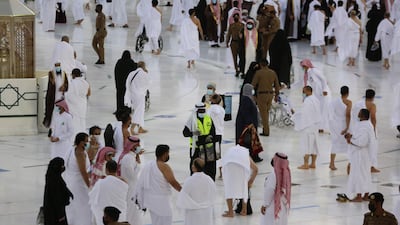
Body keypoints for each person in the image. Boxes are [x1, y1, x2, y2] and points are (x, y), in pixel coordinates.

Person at [135, 145, 182, 225]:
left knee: (156, 222)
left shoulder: (148, 165)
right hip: (162, 202)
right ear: (165, 154)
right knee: (165, 222)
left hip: (151, 201)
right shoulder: (164, 167)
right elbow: (172, 182)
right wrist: (183, 191)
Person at [344, 109, 374, 202]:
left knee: (359, 174)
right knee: (365, 174)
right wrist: (351, 136)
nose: (358, 113)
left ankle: (359, 196)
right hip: (362, 154)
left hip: (360, 154)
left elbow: (362, 142)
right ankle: (365, 195)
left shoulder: (365, 126)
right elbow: (358, 137)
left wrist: (351, 140)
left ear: (363, 116)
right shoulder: (363, 125)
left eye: (360, 112)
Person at [221, 144, 258, 217]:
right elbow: (256, 169)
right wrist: (250, 181)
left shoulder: (229, 153)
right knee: (244, 189)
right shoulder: (245, 155)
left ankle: (230, 212)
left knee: (229, 189)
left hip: (229, 168)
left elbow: (222, 165)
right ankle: (244, 210)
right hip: (242, 172)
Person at [176, 158, 217, 225]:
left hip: (193, 212)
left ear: (193, 167)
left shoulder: (189, 181)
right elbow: (214, 193)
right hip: (206, 211)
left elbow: (183, 196)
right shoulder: (209, 179)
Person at [183, 103, 217, 180]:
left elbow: (213, 132)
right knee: (196, 167)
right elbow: (185, 133)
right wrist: (193, 133)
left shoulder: (208, 118)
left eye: (203, 110)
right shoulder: (191, 120)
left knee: (210, 168)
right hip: (196, 148)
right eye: (200, 110)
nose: (202, 112)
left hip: (208, 148)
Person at [89, 160, 129, 225]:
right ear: (117, 169)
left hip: (106, 214)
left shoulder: (100, 183)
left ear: (106, 169)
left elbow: (92, 196)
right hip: (120, 210)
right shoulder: (123, 182)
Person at [64, 133, 92, 225]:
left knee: (74, 205)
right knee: (83, 205)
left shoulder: (71, 149)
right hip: (79, 184)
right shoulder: (80, 153)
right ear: (80, 142)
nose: (87, 143)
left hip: (70, 181)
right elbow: (83, 171)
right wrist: (89, 186)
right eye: (86, 142)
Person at [296, 59, 330, 132]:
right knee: (316, 110)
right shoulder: (306, 74)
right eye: (303, 66)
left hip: (323, 94)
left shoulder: (314, 71)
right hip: (315, 95)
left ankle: (322, 127)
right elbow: (303, 84)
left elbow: (323, 79)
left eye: (304, 66)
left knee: (322, 110)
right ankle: (317, 126)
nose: (303, 68)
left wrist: (324, 90)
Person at [292, 86, 321, 169]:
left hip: (308, 126)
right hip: (315, 126)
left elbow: (304, 113)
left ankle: (305, 164)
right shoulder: (316, 99)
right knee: (314, 145)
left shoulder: (308, 101)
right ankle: (313, 163)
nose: (303, 93)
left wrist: (295, 115)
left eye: (304, 92)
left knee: (306, 145)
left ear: (308, 91)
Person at [352, 89, 379, 173]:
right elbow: (373, 118)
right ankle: (371, 166)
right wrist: (374, 130)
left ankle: (355, 164)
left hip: (357, 126)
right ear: (373, 97)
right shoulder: (372, 105)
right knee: (372, 147)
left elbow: (353, 114)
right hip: (367, 127)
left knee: (357, 146)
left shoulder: (357, 103)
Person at [118, 136, 144, 225]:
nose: (139, 146)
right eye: (138, 145)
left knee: (135, 211)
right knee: (131, 211)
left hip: (133, 188)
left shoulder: (132, 157)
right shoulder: (128, 158)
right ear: (132, 146)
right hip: (130, 189)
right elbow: (132, 175)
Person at [260, 153, 291, 225]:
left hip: (273, 206)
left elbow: (270, 190)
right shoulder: (287, 174)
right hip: (283, 206)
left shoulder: (273, 174)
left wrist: (265, 204)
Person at [251, 59, 280, 136]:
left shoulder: (258, 73)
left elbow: (253, 85)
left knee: (263, 114)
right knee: (266, 112)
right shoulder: (273, 73)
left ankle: (266, 131)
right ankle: (265, 129)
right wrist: (277, 95)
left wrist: (252, 95)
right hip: (270, 94)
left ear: (260, 64)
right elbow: (277, 85)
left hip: (261, 95)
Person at [43, 157, 73, 225]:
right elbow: (57, 200)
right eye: (61, 166)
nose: (63, 168)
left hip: (52, 212)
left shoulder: (53, 177)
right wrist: (61, 216)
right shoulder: (55, 182)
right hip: (56, 215)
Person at [328, 86, 352, 170]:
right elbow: (348, 115)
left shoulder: (334, 101)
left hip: (336, 125)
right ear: (348, 93)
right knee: (349, 144)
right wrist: (347, 128)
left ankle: (331, 163)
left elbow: (330, 114)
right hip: (344, 125)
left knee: (334, 144)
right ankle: (350, 164)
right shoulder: (348, 102)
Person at [124, 61, 151, 134]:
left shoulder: (131, 73)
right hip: (140, 95)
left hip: (133, 95)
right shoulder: (144, 74)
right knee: (139, 111)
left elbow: (127, 83)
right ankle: (132, 128)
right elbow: (148, 84)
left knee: (139, 110)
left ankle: (140, 128)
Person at [43, 62, 69, 128]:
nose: (58, 68)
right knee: (53, 112)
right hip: (53, 97)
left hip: (61, 97)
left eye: (59, 66)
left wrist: (64, 87)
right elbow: (51, 84)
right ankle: (52, 128)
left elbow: (67, 84)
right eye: (56, 66)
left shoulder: (64, 73)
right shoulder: (51, 73)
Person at [65, 68, 90, 134]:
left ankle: (74, 135)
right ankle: (82, 133)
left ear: (73, 75)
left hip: (74, 105)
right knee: (82, 119)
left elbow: (68, 95)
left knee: (74, 121)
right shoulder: (85, 82)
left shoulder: (72, 83)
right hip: (83, 104)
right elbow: (89, 93)